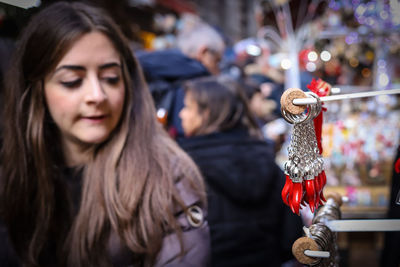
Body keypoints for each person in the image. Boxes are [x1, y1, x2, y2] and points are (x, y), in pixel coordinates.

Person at [0, 2, 210, 266]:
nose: (97, 96)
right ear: (36, 89)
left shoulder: (168, 177)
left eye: (111, 78)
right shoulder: (11, 174)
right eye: (72, 81)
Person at [177, 75, 303, 267]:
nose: (181, 114)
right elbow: (291, 236)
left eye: (187, 107)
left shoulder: (184, 167)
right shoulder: (266, 160)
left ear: (207, 113)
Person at [137, 16, 225, 139]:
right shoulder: (198, 75)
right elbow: (183, 131)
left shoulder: (154, 61)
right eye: (217, 60)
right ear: (203, 52)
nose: (218, 69)